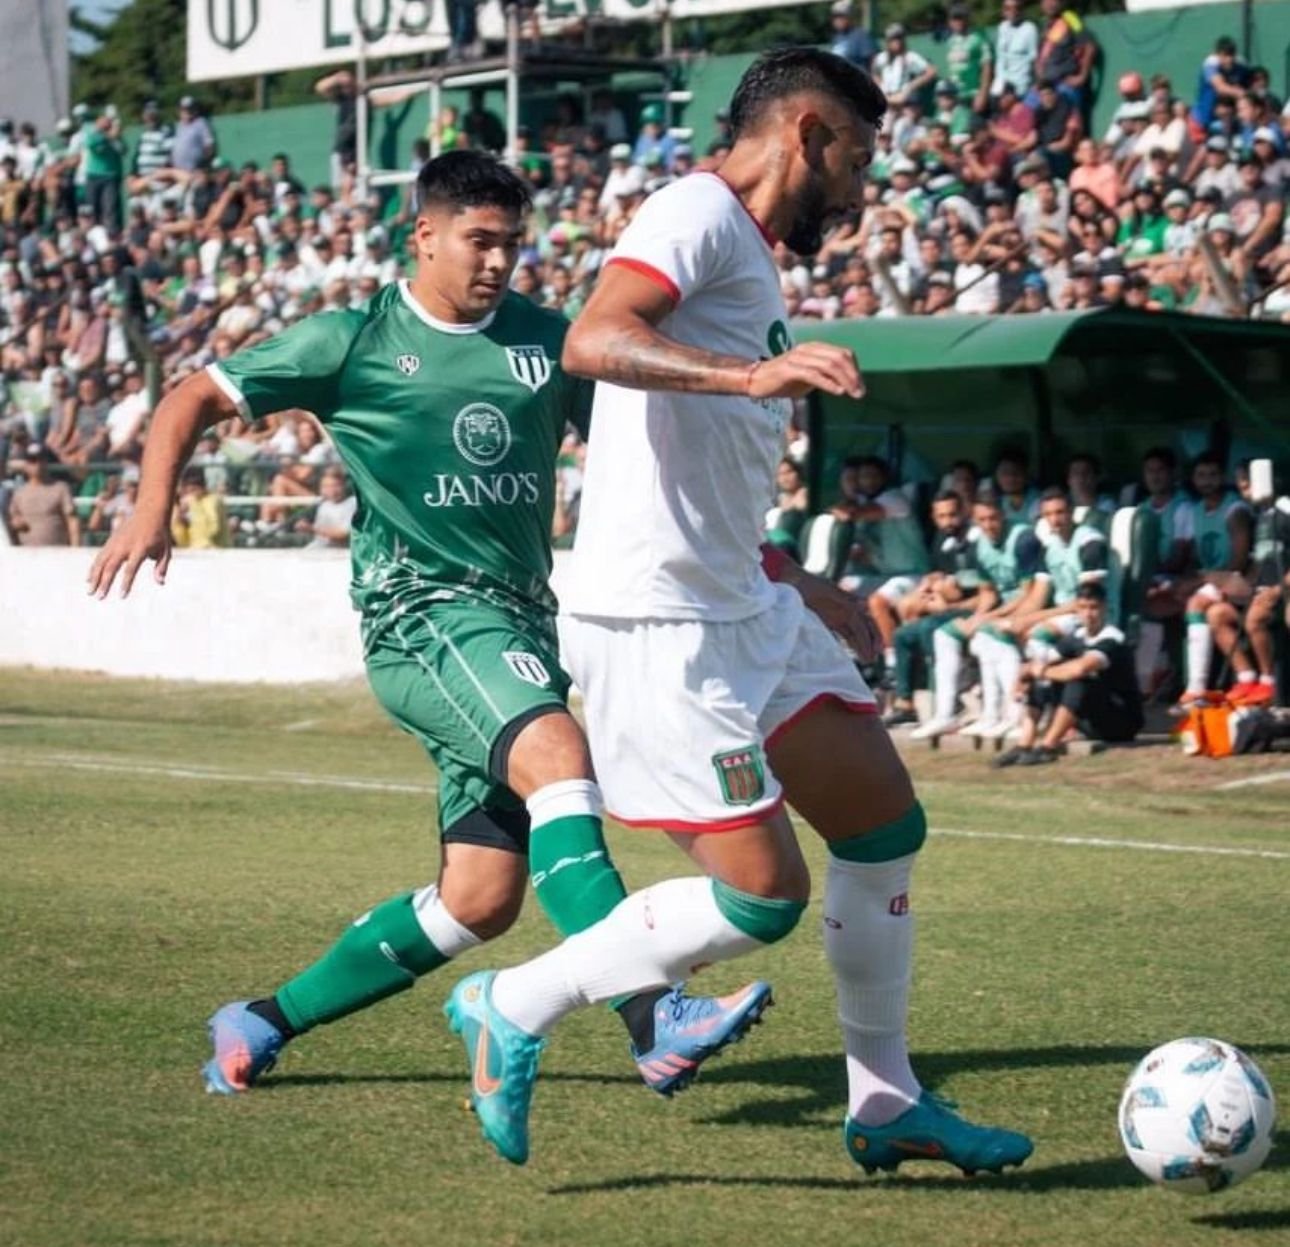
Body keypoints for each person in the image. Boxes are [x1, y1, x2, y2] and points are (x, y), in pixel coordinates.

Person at [441, 48, 1032, 1175]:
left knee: (883, 825)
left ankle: (888, 1096)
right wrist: (752, 378)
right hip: (657, 624)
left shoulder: (745, 254)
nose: (861, 189)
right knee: (762, 899)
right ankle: (511, 1001)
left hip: (744, 604)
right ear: (807, 133)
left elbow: (704, 475)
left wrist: (801, 581)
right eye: (856, 158)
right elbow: (594, 338)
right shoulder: (695, 209)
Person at [87, 152, 763, 1104]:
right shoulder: (352, 340)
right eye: (479, 241)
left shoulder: (548, 341)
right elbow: (193, 393)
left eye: (512, 245)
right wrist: (151, 507)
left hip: (521, 625)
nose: (497, 261)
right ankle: (655, 1015)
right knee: (560, 758)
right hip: (422, 617)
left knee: (479, 901)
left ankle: (260, 1020)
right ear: (426, 237)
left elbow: (642, 450)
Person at [994, 582, 1143, 767]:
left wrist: (1041, 671)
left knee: (1078, 678)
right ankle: (1024, 745)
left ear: (1105, 608)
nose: (1088, 614)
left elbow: (1079, 669)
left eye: (1094, 608)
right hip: (1091, 719)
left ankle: (1049, 747)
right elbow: (1044, 660)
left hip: (1121, 722)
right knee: (1041, 677)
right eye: (1082, 608)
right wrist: (1024, 676)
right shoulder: (1077, 636)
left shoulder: (1112, 638)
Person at [9, 444, 79, 546]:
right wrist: (16, 523)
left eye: (41, 459)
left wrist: (75, 548)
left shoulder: (60, 488)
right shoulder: (19, 493)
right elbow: (13, 518)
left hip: (57, 553)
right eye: (33, 460)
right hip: (25, 555)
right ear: (27, 464)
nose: (37, 464)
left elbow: (72, 520)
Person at [992, 0, 1039, 101]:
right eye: (1008, 8)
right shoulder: (1002, 27)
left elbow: (1035, 59)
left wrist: (1037, 83)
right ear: (1003, 11)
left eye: (1016, 8)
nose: (1012, 11)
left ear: (1022, 10)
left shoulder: (1030, 29)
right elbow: (999, 57)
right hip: (1000, 86)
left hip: (1020, 87)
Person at [828, 1, 875, 71]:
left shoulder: (860, 35)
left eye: (841, 16)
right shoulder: (836, 37)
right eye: (835, 17)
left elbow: (870, 60)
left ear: (849, 17)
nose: (837, 20)